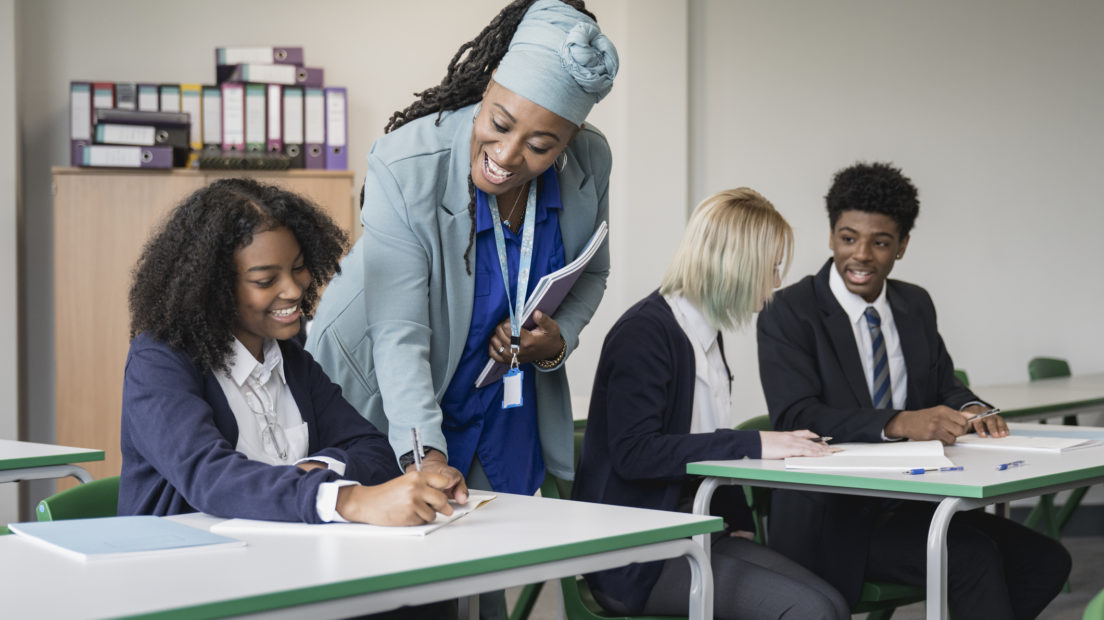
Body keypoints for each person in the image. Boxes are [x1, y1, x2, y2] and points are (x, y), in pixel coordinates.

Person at [307, 0, 617, 500]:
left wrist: (555, 343)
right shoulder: (406, 163)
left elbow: (592, 274)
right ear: (491, 80)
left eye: (540, 147)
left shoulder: (590, 161)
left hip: (497, 399)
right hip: (383, 390)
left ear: (571, 139)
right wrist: (423, 454)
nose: (507, 155)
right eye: (499, 122)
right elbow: (398, 332)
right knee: (394, 562)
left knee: (489, 553)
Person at [757, 162, 1071, 619]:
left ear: (902, 246)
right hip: (836, 517)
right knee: (973, 559)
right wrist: (899, 422)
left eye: (880, 242)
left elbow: (945, 384)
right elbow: (795, 417)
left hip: (916, 499)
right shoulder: (789, 311)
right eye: (848, 238)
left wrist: (974, 407)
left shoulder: (914, 304)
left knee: (1047, 560)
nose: (861, 255)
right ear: (830, 236)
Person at [119, 178, 467, 532]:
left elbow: (373, 449)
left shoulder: (290, 358)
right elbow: (210, 478)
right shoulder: (159, 361)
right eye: (266, 281)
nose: (294, 288)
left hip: (279, 560)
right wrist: (346, 499)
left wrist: (315, 469)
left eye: (298, 267)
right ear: (215, 288)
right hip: (181, 572)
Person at [573, 189, 850, 620]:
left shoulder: (705, 334)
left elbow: (703, 441)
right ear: (735, 266)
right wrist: (753, 443)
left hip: (696, 530)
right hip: (637, 556)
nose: (777, 283)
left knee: (833, 603)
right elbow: (635, 454)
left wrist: (734, 515)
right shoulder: (644, 334)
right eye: (770, 268)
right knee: (810, 611)